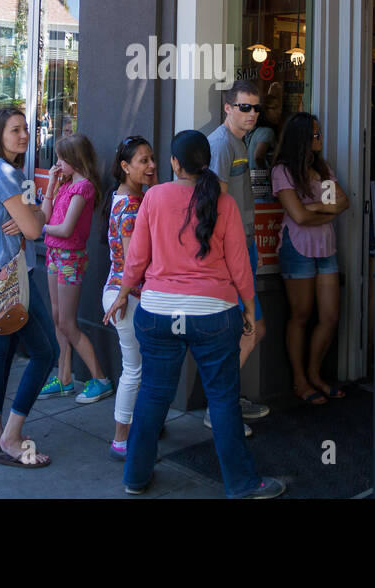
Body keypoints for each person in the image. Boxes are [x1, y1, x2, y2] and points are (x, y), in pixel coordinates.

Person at [105, 130, 284, 498]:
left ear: (174, 163)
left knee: (153, 395)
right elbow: (239, 266)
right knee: (222, 399)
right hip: (214, 315)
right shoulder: (225, 202)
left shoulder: (153, 197)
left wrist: (123, 294)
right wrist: (250, 311)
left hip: (157, 312)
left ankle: (135, 477)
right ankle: (241, 483)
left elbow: (136, 257)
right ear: (207, 163)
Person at [0, 108, 57, 466]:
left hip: (1, 274)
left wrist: (30, 216)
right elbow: (37, 228)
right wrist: (32, 216)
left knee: (2, 352)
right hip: (10, 278)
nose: (24, 135)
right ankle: (11, 436)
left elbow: (32, 221)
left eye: (26, 129)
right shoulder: (5, 173)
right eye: (15, 130)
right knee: (46, 353)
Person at [272, 112, 350, 404]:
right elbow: (298, 216)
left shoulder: (323, 168)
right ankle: (300, 381)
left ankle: (315, 374)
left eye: (319, 134)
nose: (319, 139)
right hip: (297, 248)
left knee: (329, 316)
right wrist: (322, 209)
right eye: (315, 135)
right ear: (300, 138)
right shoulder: (283, 171)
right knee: (302, 315)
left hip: (326, 247)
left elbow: (343, 203)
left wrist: (314, 210)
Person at [205, 80, 269, 431]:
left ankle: (224, 402)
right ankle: (219, 408)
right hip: (235, 251)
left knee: (245, 329)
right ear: (227, 108)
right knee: (253, 328)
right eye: (244, 107)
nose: (252, 113)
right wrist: (232, 256)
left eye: (256, 107)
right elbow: (218, 205)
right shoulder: (220, 145)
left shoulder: (237, 141)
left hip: (245, 246)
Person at [38, 133, 112, 402]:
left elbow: (66, 228)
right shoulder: (66, 184)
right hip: (54, 254)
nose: (57, 163)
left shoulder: (84, 188)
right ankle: (65, 376)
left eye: (61, 158)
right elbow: (45, 214)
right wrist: (51, 186)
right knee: (58, 317)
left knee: (68, 323)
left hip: (69, 257)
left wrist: (38, 228)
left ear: (74, 159)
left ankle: (100, 378)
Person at [101, 135, 157, 459]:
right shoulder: (132, 207)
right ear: (125, 166)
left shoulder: (124, 196)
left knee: (139, 367)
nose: (151, 166)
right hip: (126, 297)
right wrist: (123, 295)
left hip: (124, 294)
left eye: (152, 159)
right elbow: (134, 260)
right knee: (134, 369)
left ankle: (137, 426)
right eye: (143, 161)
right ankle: (121, 439)